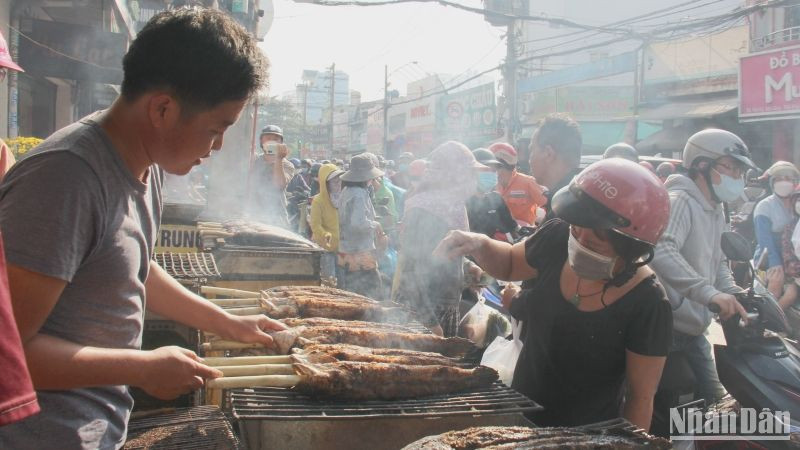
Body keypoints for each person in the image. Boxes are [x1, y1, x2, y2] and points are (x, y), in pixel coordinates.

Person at [0, 9, 285, 448]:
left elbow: (135, 267)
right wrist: (142, 367)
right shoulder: (64, 181)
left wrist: (229, 323)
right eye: (216, 128)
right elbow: (9, 356)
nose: (218, 147)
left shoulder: (143, 163)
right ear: (163, 109)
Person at [434, 158, 673, 430]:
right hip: (519, 418)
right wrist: (479, 244)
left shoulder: (648, 304)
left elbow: (640, 399)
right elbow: (512, 262)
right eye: (576, 229)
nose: (579, 242)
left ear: (630, 248)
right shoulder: (558, 237)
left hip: (586, 438)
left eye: (595, 241)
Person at [650, 128, 757, 406]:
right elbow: (661, 248)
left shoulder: (716, 207)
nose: (736, 177)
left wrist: (732, 291)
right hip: (666, 329)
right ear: (701, 165)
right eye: (731, 168)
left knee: (717, 401)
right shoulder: (681, 201)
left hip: (695, 328)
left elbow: (719, 259)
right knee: (657, 405)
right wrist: (708, 293)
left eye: (739, 171)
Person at [393, 142, 487, 337]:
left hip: (444, 304)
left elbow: (440, 253)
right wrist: (429, 322)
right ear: (453, 175)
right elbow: (413, 271)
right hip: (422, 310)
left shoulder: (451, 206)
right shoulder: (425, 211)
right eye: (469, 174)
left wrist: (467, 266)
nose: (473, 180)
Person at [337, 154, 386, 299]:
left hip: (346, 251)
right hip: (360, 254)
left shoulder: (346, 191)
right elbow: (357, 223)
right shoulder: (359, 194)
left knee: (352, 296)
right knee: (373, 296)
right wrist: (375, 224)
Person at [754, 161, 800, 302]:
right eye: (779, 179)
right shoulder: (764, 207)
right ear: (772, 182)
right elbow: (764, 242)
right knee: (776, 281)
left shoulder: (796, 203)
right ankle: (769, 319)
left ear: (795, 182)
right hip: (769, 256)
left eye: (788, 178)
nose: (784, 182)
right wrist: (775, 264)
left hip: (793, 258)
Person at [528, 113, 583, 222]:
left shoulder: (564, 207)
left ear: (548, 153)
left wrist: (485, 240)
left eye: (531, 150)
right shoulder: (577, 195)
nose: (530, 160)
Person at [246, 124, 294, 227]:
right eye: (268, 138)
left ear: (281, 143)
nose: (271, 142)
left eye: (276, 139)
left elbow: (279, 185)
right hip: (253, 214)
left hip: (276, 216)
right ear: (261, 142)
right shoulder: (254, 161)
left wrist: (279, 159)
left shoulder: (287, 165)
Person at [466, 148, 519, 241]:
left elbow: (512, 227)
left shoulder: (496, 198)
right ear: (472, 172)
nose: (492, 174)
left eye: (494, 170)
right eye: (486, 169)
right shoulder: (463, 203)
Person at [490, 142, 546, 227]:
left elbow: (548, 206)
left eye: (491, 166)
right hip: (498, 234)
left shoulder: (527, 182)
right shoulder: (491, 184)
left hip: (524, 235)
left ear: (501, 166)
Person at [310, 164, 344, 252]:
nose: (338, 184)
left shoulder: (344, 197)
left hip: (344, 247)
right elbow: (315, 225)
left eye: (339, 180)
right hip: (325, 247)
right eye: (335, 182)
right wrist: (325, 235)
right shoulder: (318, 201)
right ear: (325, 183)